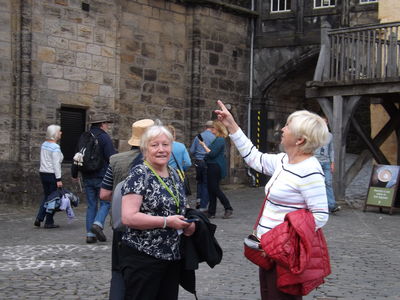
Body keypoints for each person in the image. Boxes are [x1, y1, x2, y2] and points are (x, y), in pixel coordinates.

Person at [214, 100, 330, 300]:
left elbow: (319, 216)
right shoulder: (284, 160)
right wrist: (232, 126)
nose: (282, 129)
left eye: (287, 126)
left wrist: (280, 243)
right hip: (267, 249)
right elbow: (254, 158)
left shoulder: (310, 170)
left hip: (282, 254)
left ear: (300, 140)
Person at [119, 124, 195, 300]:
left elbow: (178, 205)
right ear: (145, 149)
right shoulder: (140, 174)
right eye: (155, 145)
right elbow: (128, 217)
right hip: (143, 257)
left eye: (165, 144)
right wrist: (167, 222)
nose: (161, 149)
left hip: (171, 257)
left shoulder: (175, 174)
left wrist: (189, 223)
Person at [99, 119, 154, 300]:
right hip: (148, 225)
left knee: (119, 270)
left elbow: (104, 194)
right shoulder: (157, 161)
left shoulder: (115, 160)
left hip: (121, 223)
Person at [71, 115, 117, 244]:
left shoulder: (83, 136)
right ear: (102, 124)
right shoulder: (104, 137)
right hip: (102, 176)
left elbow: (77, 156)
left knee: (91, 205)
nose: (107, 126)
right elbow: (111, 158)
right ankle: (97, 224)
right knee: (105, 203)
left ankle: (90, 235)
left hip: (86, 176)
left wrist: (74, 174)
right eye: (106, 124)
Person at [199, 120, 233, 219]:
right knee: (211, 189)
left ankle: (228, 207)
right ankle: (211, 211)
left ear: (217, 129)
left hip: (215, 166)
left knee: (215, 188)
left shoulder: (220, 140)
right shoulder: (217, 139)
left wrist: (204, 146)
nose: (211, 130)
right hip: (211, 166)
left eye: (213, 128)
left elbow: (212, 154)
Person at [34, 125, 63, 229]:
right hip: (52, 175)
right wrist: (58, 179)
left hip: (43, 173)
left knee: (47, 196)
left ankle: (39, 217)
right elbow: (56, 164)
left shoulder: (44, 145)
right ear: (54, 133)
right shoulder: (55, 147)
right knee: (53, 199)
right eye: (59, 131)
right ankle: (49, 221)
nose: (61, 133)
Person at [314, 116, 340, 213]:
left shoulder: (330, 136)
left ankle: (331, 205)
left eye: (325, 122)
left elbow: (331, 150)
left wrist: (332, 162)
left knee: (328, 183)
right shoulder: (314, 134)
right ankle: (316, 205)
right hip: (315, 161)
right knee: (315, 183)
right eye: (322, 122)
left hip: (326, 162)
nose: (324, 124)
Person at [189, 120, 215, 211]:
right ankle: (203, 206)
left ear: (205, 127)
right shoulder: (215, 137)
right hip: (208, 162)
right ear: (213, 128)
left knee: (199, 181)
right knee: (206, 183)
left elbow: (192, 150)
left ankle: (198, 200)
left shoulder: (198, 137)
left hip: (198, 162)